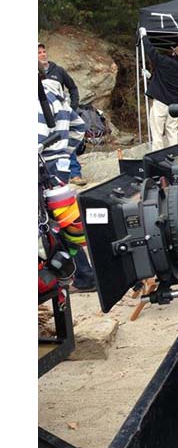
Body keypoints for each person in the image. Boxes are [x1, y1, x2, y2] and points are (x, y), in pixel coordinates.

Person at [38, 70, 96, 293]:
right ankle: (80, 274)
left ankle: (77, 275)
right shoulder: (57, 97)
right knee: (64, 222)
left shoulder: (39, 99)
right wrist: (65, 152)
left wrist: (53, 154)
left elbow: (38, 137)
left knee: (53, 225)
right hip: (59, 164)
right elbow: (79, 126)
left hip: (45, 165)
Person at [39, 41, 87, 186]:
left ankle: (76, 174)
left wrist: (72, 106)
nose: (42, 54)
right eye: (39, 53)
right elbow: (79, 127)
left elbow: (73, 88)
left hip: (60, 115)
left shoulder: (58, 70)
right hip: (60, 120)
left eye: (44, 51)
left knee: (64, 144)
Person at [138, 27, 178, 151]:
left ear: (174, 53)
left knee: (157, 133)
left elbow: (151, 52)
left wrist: (144, 37)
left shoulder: (167, 62)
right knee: (172, 133)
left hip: (160, 102)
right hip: (174, 105)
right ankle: (175, 155)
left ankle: (158, 157)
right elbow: (167, 83)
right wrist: (151, 77)